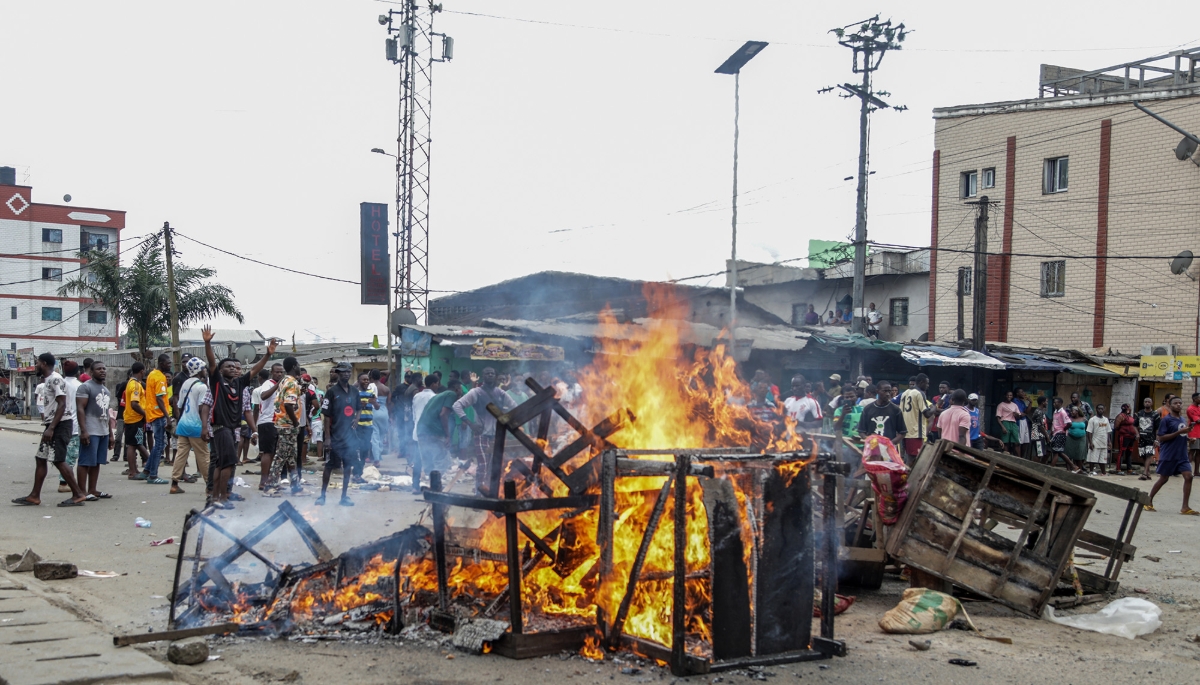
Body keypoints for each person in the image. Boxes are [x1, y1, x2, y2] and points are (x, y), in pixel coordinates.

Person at [202, 325, 277, 509]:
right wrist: (207, 343)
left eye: (235, 367)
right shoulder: (217, 382)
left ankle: (215, 498)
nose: (234, 369)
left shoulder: (239, 383)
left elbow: (255, 370)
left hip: (231, 429)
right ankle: (222, 498)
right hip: (222, 428)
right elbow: (212, 363)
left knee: (221, 464)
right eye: (228, 367)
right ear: (220, 371)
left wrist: (267, 355)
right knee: (228, 463)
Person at [12, 353, 87, 506]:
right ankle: (34, 496)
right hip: (52, 424)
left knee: (59, 460)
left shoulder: (55, 379)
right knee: (41, 458)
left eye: (37, 362)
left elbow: (62, 404)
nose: (36, 365)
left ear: (44, 363)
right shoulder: (47, 381)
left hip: (60, 424)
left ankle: (78, 494)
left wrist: (51, 428)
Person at [452, 367, 518, 494]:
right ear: (483, 376)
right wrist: (470, 424)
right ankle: (479, 494)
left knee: (496, 466)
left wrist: (506, 418)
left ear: (495, 376)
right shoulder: (476, 392)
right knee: (483, 465)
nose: (490, 375)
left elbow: (514, 407)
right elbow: (457, 406)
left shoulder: (501, 393)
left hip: (497, 436)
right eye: (487, 373)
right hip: (481, 434)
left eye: (492, 373)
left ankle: (493, 492)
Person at [1145, 396, 1197, 515]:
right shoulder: (1166, 420)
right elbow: (1161, 437)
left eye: (1180, 403)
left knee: (1189, 476)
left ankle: (1185, 507)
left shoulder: (1182, 420)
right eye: (1175, 403)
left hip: (1182, 455)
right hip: (1169, 454)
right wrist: (1180, 432)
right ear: (1170, 405)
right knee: (1164, 479)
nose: (1178, 405)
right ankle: (1148, 501)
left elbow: (1181, 435)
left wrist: (1189, 439)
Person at [171, 356, 212, 495]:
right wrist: (205, 427)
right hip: (196, 425)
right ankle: (210, 486)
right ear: (199, 370)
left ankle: (174, 484)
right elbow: (202, 408)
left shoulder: (185, 383)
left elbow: (180, 404)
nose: (205, 371)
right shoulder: (202, 387)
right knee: (204, 456)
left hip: (183, 424)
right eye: (204, 368)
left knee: (181, 454)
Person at [317, 364, 356, 506]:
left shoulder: (354, 391)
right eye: (344, 372)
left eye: (348, 371)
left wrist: (356, 421)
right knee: (329, 466)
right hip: (334, 436)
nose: (347, 374)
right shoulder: (332, 392)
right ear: (338, 373)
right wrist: (327, 438)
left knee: (347, 467)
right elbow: (326, 416)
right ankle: (322, 496)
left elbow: (358, 409)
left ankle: (344, 497)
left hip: (349, 438)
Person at [413, 375, 458, 492]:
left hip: (421, 431)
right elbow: (443, 414)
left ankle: (429, 486)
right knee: (443, 461)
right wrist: (448, 435)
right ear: (457, 389)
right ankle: (435, 489)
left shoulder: (434, 396)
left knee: (428, 461)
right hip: (434, 432)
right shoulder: (451, 394)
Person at [75, 361, 113, 501]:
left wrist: (110, 434)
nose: (102, 371)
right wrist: (83, 431)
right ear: (91, 371)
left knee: (97, 462)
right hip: (90, 430)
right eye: (99, 369)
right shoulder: (85, 387)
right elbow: (80, 409)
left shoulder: (106, 390)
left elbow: (107, 413)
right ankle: (81, 491)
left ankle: (93, 489)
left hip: (103, 431)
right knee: (85, 461)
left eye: (104, 368)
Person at [269, 357, 303, 495]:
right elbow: (289, 404)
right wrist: (295, 422)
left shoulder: (284, 380)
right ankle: (270, 486)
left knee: (291, 456)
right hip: (287, 425)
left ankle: (296, 486)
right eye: (298, 365)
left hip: (283, 423)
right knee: (281, 456)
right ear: (295, 366)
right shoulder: (291, 382)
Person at [139, 354, 172, 484]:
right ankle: (153, 475)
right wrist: (168, 417)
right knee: (159, 445)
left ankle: (146, 470)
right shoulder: (159, 377)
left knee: (159, 443)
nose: (170, 365)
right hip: (158, 414)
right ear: (161, 363)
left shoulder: (152, 374)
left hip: (153, 413)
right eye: (168, 363)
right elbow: (159, 397)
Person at [253, 365, 282, 490]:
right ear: (271, 373)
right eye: (277, 372)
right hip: (267, 421)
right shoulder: (268, 384)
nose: (279, 374)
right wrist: (278, 385)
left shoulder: (280, 385)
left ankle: (270, 480)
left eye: (281, 372)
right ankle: (263, 482)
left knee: (274, 452)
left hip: (277, 422)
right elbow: (264, 396)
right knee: (267, 452)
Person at [57, 360, 81, 493]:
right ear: (78, 372)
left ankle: (64, 480)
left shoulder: (60, 383)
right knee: (71, 455)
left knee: (62, 453)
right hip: (74, 424)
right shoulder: (79, 386)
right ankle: (64, 482)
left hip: (61, 422)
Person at [123, 362, 150, 480]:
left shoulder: (132, 383)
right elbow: (135, 404)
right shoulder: (135, 385)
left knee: (135, 443)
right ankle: (133, 472)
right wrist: (146, 414)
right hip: (135, 418)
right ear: (142, 371)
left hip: (132, 418)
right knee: (134, 445)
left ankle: (135, 469)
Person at [899, 374, 934, 460]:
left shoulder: (904, 393)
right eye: (927, 383)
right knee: (915, 460)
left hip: (905, 432)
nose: (928, 386)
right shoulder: (919, 393)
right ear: (921, 382)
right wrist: (936, 406)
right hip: (915, 432)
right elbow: (927, 414)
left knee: (908, 458)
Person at [352, 372, 377, 482]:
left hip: (368, 425)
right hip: (358, 425)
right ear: (358, 381)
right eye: (364, 380)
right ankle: (356, 472)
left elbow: (377, 406)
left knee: (365, 450)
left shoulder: (371, 392)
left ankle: (359, 473)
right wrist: (359, 405)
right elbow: (351, 407)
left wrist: (374, 402)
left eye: (367, 380)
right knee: (356, 449)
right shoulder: (355, 393)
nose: (366, 381)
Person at [1136, 397, 1161, 481]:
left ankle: (1144, 473)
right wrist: (1137, 433)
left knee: (1149, 454)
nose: (1147, 403)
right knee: (1143, 455)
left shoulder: (1155, 415)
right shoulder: (1139, 413)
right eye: (1145, 401)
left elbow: (1158, 428)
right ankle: (1148, 473)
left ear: (1151, 403)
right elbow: (1134, 425)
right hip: (1142, 438)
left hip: (1151, 438)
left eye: (1149, 402)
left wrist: (1157, 439)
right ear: (1143, 403)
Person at [368, 369, 390, 462]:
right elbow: (389, 403)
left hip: (374, 411)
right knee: (381, 435)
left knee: (375, 437)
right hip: (384, 412)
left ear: (371, 377)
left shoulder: (370, 387)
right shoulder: (386, 388)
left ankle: (376, 458)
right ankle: (379, 454)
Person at [1085, 404, 1112, 475]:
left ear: (1104, 410)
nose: (1100, 410)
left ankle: (1104, 472)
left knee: (1103, 458)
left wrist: (1109, 442)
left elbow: (1108, 431)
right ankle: (1091, 471)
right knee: (1092, 458)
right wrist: (1090, 442)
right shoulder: (1092, 420)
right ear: (1096, 410)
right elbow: (1089, 432)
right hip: (1095, 441)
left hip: (1104, 442)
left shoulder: (1106, 419)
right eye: (1099, 409)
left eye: (1102, 409)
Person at [1113, 403, 1138, 475]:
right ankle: (1118, 469)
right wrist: (1125, 431)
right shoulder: (1121, 416)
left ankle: (1129, 469)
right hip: (1124, 436)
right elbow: (1116, 426)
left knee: (1129, 453)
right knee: (1121, 452)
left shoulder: (1130, 416)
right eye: (1129, 407)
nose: (1130, 409)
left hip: (1131, 437)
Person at [994, 391, 1021, 456]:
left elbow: (1018, 416)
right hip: (1005, 423)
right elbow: (998, 418)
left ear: (1012, 396)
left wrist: (1016, 414)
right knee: (1005, 442)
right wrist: (1002, 427)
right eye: (1008, 395)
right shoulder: (1001, 405)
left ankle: (1019, 458)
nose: (1009, 396)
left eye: (1010, 395)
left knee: (1016, 442)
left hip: (1013, 423)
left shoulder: (1014, 405)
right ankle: (1007, 456)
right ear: (1005, 396)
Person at [1064, 407, 1088, 473]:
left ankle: (1079, 469)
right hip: (1070, 438)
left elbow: (1087, 429)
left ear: (1077, 411)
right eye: (1071, 411)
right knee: (1069, 453)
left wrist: (1088, 440)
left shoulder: (1084, 419)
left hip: (1081, 438)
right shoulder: (1069, 419)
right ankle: (1068, 469)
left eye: (1073, 411)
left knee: (1080, 454)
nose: (1071, 412)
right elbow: (1065, 427)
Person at [1049, 396, 1071, 467]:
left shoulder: (1062, 412)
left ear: (1060, 403)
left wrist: (1064, 429)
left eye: (1056, 402)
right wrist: (1052, 431)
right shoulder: (1055, 412)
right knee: (1057, 452)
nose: (1054, 404)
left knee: (1057, 452)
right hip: (1055, 433)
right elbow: (1054, 423)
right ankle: (1073, 466)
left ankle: (1051, 467)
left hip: (1060, 433)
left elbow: (1069, 423)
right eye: (1054, 402)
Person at [1029, 396, 1050, 464]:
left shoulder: (1040, 411)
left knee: (1041, 453)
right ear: (1042, 402)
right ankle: (1036, 469)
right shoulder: (1039, 412)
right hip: (1038, 436)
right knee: (1039, 453)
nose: (1047, 403)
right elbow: (1040, 426)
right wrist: (1047, 436)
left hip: (1039, 435)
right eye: (1046, 402)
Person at [1188, 394, 1200, 473]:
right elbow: (1198, 420)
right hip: (1194, 433)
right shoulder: (1191, 409)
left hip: (1199, 433)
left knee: (1199, 452)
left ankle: (1196, 471)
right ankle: (1187, 470)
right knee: (1192, 451)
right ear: (1195, 399)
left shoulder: (1198, 408)